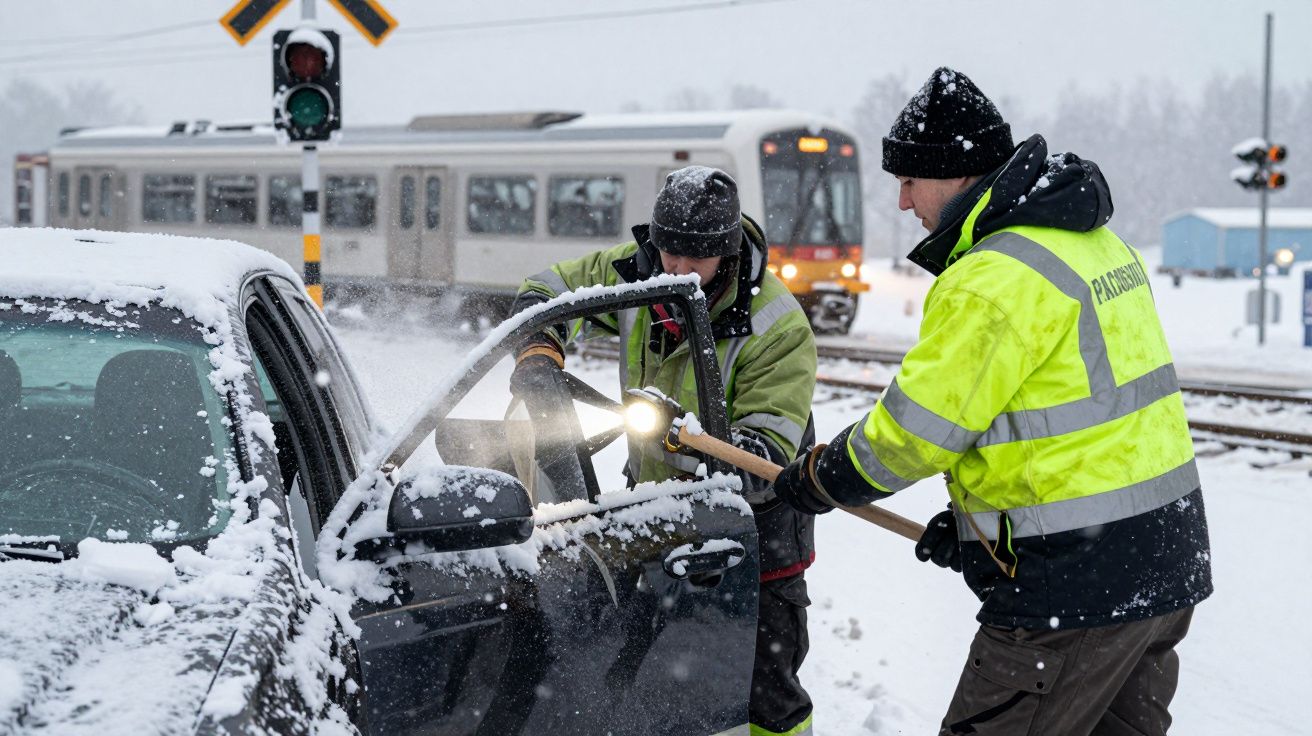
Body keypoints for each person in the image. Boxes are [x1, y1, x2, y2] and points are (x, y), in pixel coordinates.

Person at [772, 67, 1213, 735]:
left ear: (953, 175)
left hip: (1075, 588)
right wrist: (992, 527)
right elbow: (1080, 423)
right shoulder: (1092, 242)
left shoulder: (991, 278)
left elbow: (913, 434)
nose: (900, 202)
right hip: (1163, 558)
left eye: (908, 180)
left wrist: (820, 477)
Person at [510, 166, 819, 736]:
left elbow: (765, 463)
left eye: (692, 258)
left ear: (725, 256)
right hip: (653, 518)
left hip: (754, 539)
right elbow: (543, 291)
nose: (673, 269)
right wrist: (538, 349)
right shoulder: (637, 271)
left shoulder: (777, 326)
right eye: (666, 251)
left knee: (764, 694)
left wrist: (687, 434)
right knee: (633, 673)